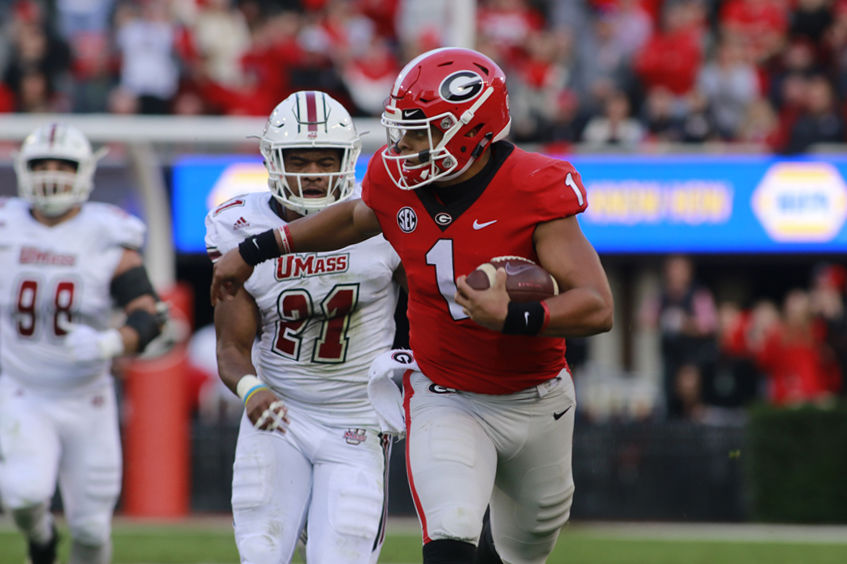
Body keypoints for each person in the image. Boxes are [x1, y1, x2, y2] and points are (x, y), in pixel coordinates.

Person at [211, 49, 614, 563]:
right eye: (403, 130)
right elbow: (355, 219)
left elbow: (598, 307)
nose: (405, 145)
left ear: (470, 128)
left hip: (536, 396)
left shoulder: (534, 186)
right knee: (449, 534)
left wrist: (513, 316)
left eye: (421, 131)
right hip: (443, 391)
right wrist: (254, 249)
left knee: (524, 548)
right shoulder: (393, 179)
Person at [205, 90, 404, 564]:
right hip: (279, 415)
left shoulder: (384, 220)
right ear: (273, 160)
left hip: (357, 419)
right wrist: (252, 390)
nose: (313, 174)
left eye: (325, 160)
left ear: (348, 159)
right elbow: (232, 347)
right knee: (261, 555)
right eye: (299, 160)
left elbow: (431, 311)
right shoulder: (237, 224)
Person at [0, 122, 167, 564]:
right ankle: (40, 539)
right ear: (22, 168)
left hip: (86, 394)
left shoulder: (108, 231)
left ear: (84, 171)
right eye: (41, 163)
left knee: (92, 528)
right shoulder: (5, 223)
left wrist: (112, 343)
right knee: (22, 495)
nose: (51, 172)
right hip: (20, 387)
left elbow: (147, 313)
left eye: (63, 164)